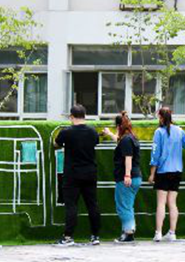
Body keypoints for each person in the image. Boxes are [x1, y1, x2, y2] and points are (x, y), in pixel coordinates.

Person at [54, 104, 101, 246]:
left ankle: (68, 237)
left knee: (71, 205)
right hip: (90, 172)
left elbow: (56, 144)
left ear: (71, 117)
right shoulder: (92, 131)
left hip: (72, 174)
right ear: (85, 116)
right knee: (92, 204)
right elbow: (96, 142)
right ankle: (95, 236)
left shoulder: (66, 132)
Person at [148, 107, 185, 242]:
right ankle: (172, 233)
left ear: (161, 117)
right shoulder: (180, 130)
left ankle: (158, 233)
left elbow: (155, 154)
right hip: (177, 170)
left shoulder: (158, 132)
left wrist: (152, 174)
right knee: (172, 203)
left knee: (161, 203)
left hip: (163, 171)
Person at [102, 111, 142, 243]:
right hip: (135, 177)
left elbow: (128, 158)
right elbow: (119, 142)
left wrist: (127, 175)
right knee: (128, 205)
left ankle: (128, 232)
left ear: (119, 126)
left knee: (123, 206)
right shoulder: (131, 138)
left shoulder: (125, 140)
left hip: (127, 177)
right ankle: (129, 231)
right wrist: (109, 134)